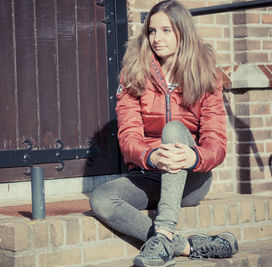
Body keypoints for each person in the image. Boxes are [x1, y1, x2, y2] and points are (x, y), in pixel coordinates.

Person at [89, 1, 238, 266]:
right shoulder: (134, 75)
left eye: (166, 30)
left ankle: (165, 228)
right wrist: (151, 156)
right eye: (152, 31)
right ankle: (180, 245)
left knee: (174, 129)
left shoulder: (207, 77)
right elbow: (128, 138)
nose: (157, 38)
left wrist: (192, 158)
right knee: (102, 199)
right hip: (148, 175)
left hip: (191, 180)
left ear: (183, 32)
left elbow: (216, 144)